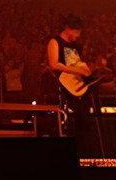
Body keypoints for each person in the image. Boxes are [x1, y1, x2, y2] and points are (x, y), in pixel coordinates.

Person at [45, 14, 106, 155]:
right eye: (77, 31)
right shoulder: (55, 42)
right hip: (62, 86)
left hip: (76, 86)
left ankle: (84, 148)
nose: (78, 35)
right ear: (68, 28)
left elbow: (77, 65)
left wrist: (90, 68)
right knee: (67, 119)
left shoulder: (75, 46)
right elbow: (54, 64)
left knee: (84, 116)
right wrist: (76, 69)